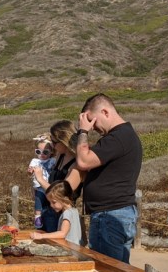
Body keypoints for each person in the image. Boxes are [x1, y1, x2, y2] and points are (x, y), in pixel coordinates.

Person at [74, 93, 142, 263]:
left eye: (92, 120)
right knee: (117, 270)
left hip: (110, 215)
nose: (92, 127)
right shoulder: (120, 136)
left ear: (105, 112)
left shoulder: (119, 137)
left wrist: (82, 131)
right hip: (112, 214)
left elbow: (83, 161)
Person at [32, 120, 83, 232]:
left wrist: (40, 179)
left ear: (64, 141)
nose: (52, 146)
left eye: (54, 143)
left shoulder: (77, 165)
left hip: (62, 216)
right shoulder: (60, 156)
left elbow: (61, 193)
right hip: (48, 211)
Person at [29, 180, 82, 245]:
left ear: (65, 199)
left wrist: (42, 236)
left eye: (53, 202)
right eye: (50, 202)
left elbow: (62, 233)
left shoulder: (67, 213)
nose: (51, 205)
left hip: (70, 250)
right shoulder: (74, 211)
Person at [27, 134, 56, 229]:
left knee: (50, 203)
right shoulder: (35, 161)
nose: (42, 154)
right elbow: (29, 172)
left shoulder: (53, 160)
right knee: (38, 199)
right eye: (38, 151)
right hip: (39, 185)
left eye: (45, 152)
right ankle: (37, 217)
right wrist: (30, 171)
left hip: (48, 185)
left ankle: (50, 218)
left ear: (51, 152)